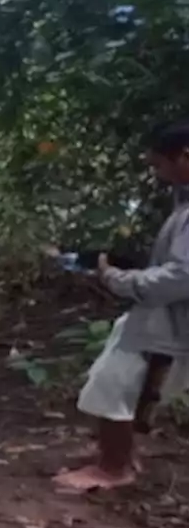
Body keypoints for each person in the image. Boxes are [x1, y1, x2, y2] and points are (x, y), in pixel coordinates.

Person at [54, 122, 190, 491]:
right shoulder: (185, 202)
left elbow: (180, 277)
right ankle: (121, 457)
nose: (158, 175)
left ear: (185, 156)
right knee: (128, 385)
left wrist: (115, 278)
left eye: (160, 165)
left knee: (113, 385)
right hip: (161, 320)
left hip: (170, 324)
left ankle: (112, 470)